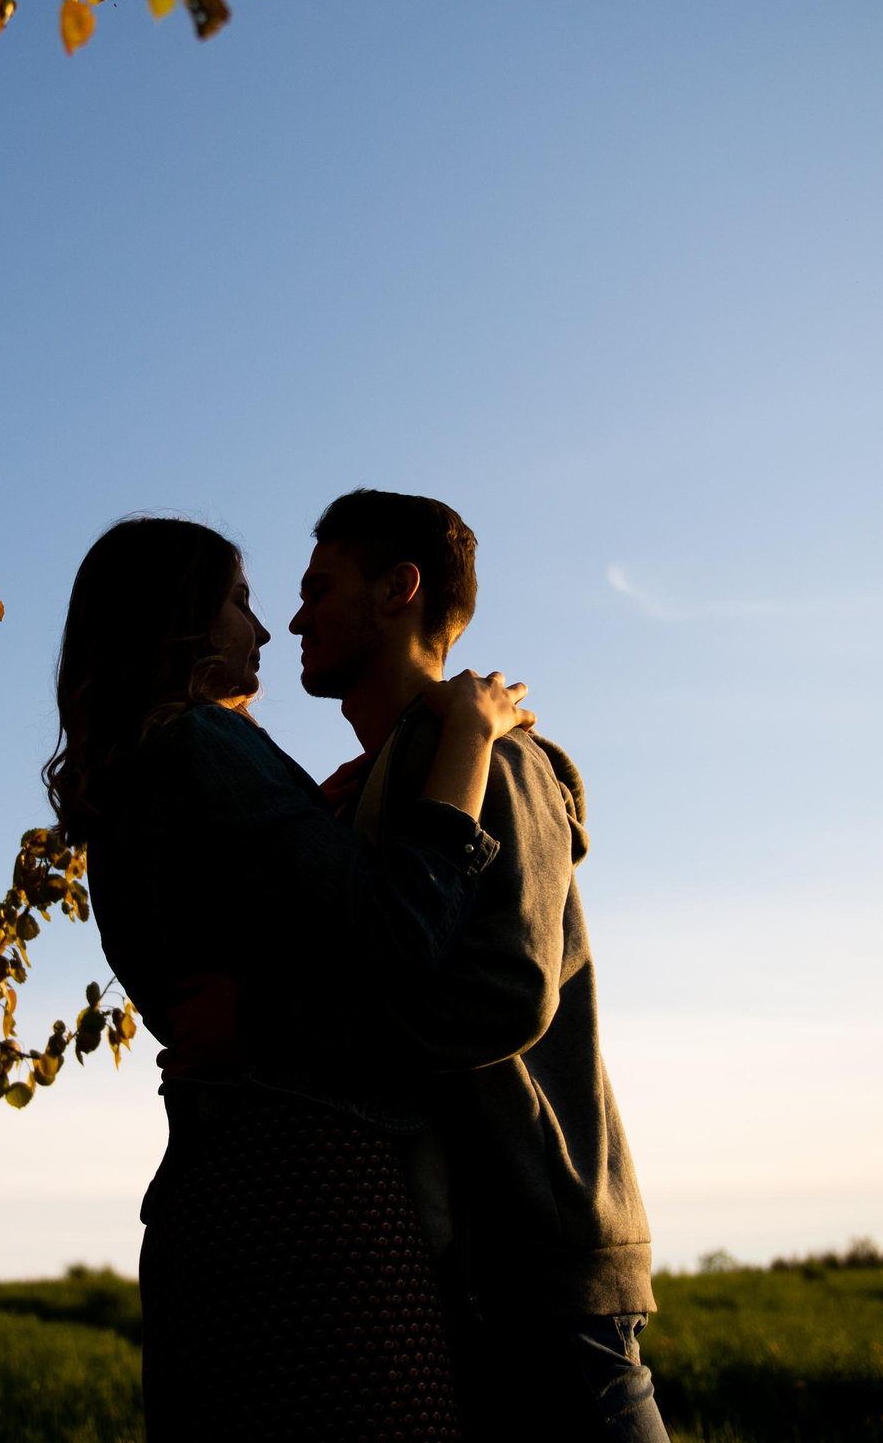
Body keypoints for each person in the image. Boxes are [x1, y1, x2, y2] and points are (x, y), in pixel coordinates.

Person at [43, 516, 536, 1443]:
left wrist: (323, 818)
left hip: (203, 1202)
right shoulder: (203, 747)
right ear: (182, 619)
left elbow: (266, 920)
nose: (264, 632)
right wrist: (469, 737)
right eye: (238, 602)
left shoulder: (120, 798)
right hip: (314, 1205)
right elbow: (403, 931)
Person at [292, 490, 668, 1443]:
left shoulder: (498, 763)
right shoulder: (391, 779)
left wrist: (308, 1039)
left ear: (398, 590)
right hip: (461, 1270)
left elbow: (506, 994)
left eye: (318, 588)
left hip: (543, 1266)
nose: (294, 618)